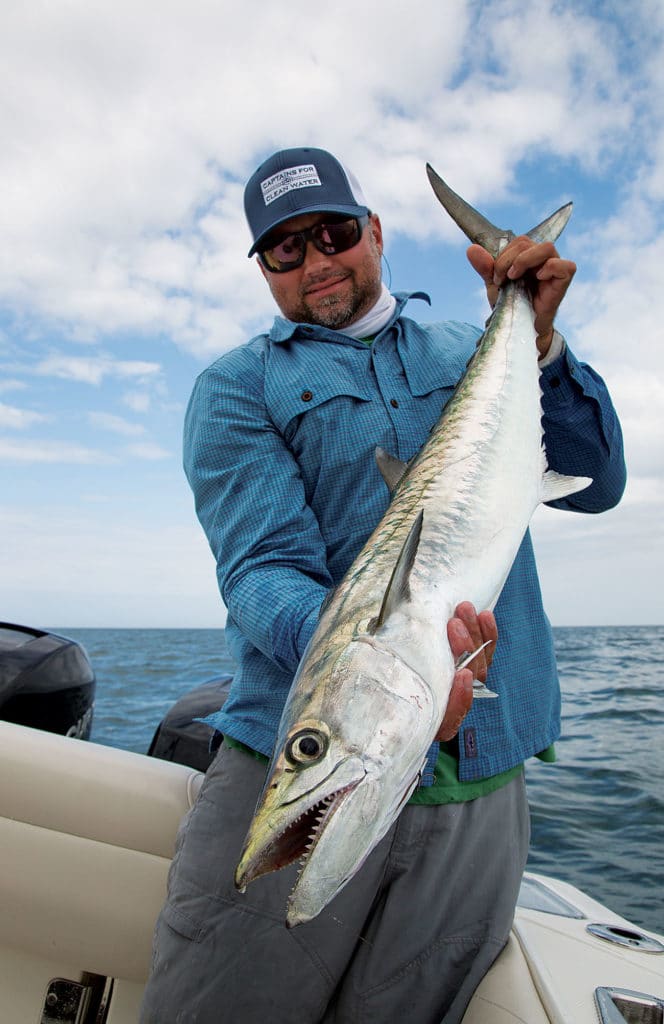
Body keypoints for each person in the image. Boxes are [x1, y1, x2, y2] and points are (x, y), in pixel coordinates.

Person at [141, 147, 626, 1023]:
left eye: (332, 233)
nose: (316, 262)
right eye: (284, 250)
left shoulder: (474, 350)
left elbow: (596, 481)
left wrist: (540, 341)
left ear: (374, 231)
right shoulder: (237, 387)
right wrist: (384, 679)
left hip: (480, 779)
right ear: (263, 270)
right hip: (294, 745)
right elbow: (262, 572)